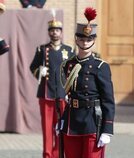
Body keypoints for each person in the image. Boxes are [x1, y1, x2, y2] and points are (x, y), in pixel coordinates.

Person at [61, 7, 115, 158]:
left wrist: (107, 129)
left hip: (93, 122)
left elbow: (108, 100)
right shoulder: (68, 65)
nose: (85, 42)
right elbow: (67, 95)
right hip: (72, 121)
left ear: (94, 41)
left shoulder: (101, 66)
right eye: (82, 39)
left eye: (89, 39)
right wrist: (62, 120)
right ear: (76, 39)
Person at [30, 12, 74, 158]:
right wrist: (39, 71)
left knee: (60, 127)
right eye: (52, 30)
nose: (55, 32)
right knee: (47, 128)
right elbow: (33, 67)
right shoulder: (42, 49)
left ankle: (58, 153)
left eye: (57, 30)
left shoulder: (69, 50)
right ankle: (48, 154)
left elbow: (73, 71)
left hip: (63, 94)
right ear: (49, 32)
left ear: (61, 33)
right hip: (46, 93)